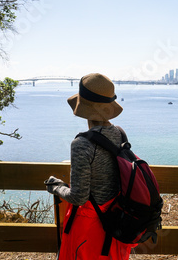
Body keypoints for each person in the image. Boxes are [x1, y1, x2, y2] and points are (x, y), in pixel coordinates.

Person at [45, 73, 134, 259]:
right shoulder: (120, 134)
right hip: (115, 222)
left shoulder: (81, 144)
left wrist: (57, 187)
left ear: (83, 107)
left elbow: (78, 197)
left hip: (90, 228)